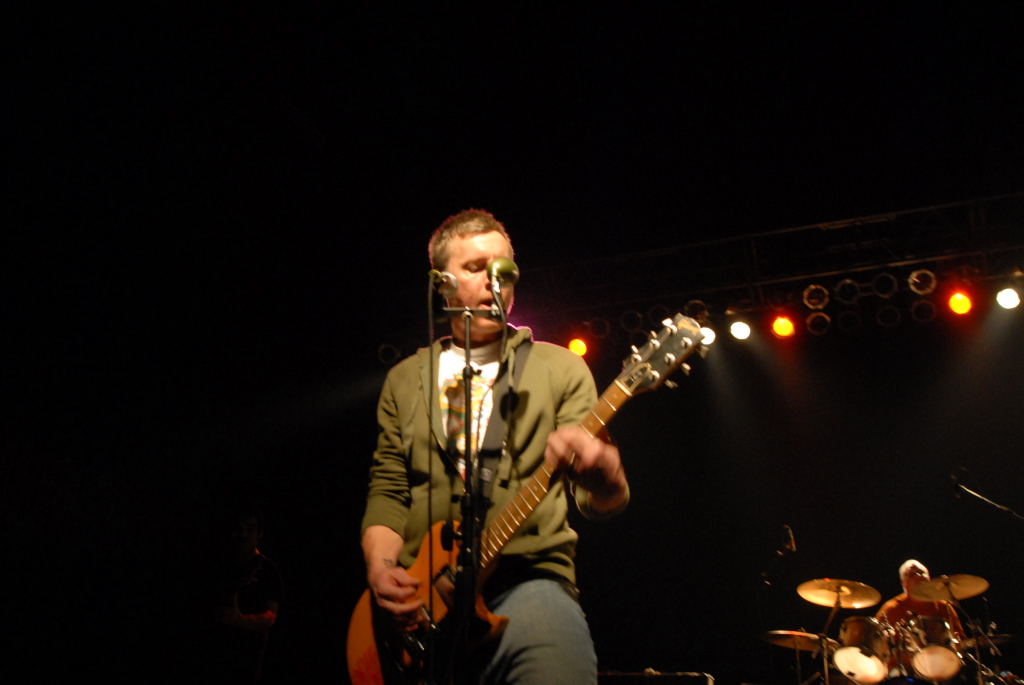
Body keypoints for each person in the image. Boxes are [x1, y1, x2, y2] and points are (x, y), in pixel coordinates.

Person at [357, 209, 630, 684]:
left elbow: (599, 501)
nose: (494, 280)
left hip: (529, 580)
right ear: (442, 284)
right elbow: (389, 490)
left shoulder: (560, 368)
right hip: (423, 601)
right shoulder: (403, 379)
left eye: (503, 268)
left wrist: (605, 475)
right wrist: (381, 570)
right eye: (475, 267)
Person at [875, 559, 966, 680]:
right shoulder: (891, 609)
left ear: (929, 578)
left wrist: (957, 644)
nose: (919, 576)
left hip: (944, 667)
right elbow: (879, 647)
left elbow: (960, 639)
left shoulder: (943, 606)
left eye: (922, 573)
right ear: (903, 583)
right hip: (904, 672)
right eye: (912, 574)